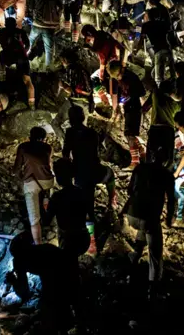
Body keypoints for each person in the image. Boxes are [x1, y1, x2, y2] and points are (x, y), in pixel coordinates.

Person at [7, 232, 81, 335]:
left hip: (60, 284)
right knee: (62, 313)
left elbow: (24, 293)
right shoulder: (46, 249)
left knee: (53, 317)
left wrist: (14, 281)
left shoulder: (22, 260)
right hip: (67, 276)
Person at [120, 146, 175, 297]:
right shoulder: (167, 175)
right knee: (155, 253)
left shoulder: (140, 168)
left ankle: (132, 264)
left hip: (132, 215)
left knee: (142, 231)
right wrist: (170, 218)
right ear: (167, 160)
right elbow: (171, 201)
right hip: (149, 219)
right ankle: (153, 287)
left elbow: (130, 190)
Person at [62, 106, 116, 255]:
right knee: (110, 175)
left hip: (80, 175)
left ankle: (91, 242)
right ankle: (112, 200)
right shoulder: (92, 133)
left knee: (87, 209)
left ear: (71, 119)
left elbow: (65, 153)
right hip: (95, 170)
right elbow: (97, 151)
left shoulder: (70, 133)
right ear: (83, 118)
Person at [14, 127, 55, 244]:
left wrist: (22, 178)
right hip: (48, 181)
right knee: (44, 191)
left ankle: (38, 244)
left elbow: (16, 170)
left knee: (34, 220)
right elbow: (49, 165)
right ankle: (45, 203)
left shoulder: (23, 147)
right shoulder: (48, 148)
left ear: (30, 136)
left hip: (31, 183)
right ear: (43, 138)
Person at [44, 159, 90, 257]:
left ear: (58, 177)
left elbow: (46, 222)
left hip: (68, 242)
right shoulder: (81, 192)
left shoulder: (57, 197)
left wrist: (41, 206)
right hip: (84, 239)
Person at [108, 61, 146, 167]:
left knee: (129, 134)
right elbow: (117, 93)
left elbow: (142, 92)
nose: (117, 78)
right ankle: (142, 155)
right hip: (128, 107)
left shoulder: (131, 77)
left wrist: (130, 95)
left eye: (117, 76)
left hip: (134, 106)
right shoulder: (121, 79)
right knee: (131, 134)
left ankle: (135, 161)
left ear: (121, 70)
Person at [52, 49, 94, 143]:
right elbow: (89, 90)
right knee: (82, 132)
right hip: (86, 104)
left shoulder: (70, 70)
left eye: (62, 61)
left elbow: (74, 89)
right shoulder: (83, 69)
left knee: (55, 123)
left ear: (65, 60)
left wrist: (64, 86)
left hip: (76, 102)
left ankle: (65, 145)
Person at [82, 24, 126, 106]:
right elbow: (120, 47)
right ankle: (112, 101)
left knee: (111, 89)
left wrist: (101, 73)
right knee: (114, 87)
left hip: (110, 66)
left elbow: (102, 58)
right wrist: (121, 62)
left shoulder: (98, 42)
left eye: (87, 37)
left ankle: (111, 105)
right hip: (116, 62)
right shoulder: (103, 34)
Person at [138, 0, 175, 86]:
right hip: (168, 49)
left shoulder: (146, 25)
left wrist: (136, 50)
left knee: (158, 79)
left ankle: (162, 95)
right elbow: (169, 28)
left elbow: (141, 41)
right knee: (168, 75)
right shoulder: (163, 15)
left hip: (159, 51)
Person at [142, 79, 179, 170]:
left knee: (150, 154)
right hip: (168, 130)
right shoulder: (176, 103)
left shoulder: (156, 93)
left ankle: (149, 173)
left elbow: (145, 108)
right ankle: (165, 173)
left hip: (155, 128)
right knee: (168, 157)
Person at [0, 17, 35, 107]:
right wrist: (23, 52)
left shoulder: (2, 32)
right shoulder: (21, 31)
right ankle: (32, 105)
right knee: (27, 81)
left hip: (10, 56)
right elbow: (28, 44)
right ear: (15, 25)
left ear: (6, 25)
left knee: (1, 55)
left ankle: (2, 76)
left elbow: (3, 46)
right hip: (22, 57)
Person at [28, 0, 61, 70]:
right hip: (50, 26)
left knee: (29, 41)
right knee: (48, 49)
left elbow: (31, 7)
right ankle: (47, 68)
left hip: (37, 23)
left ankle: (24, 59)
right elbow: (60, 7)